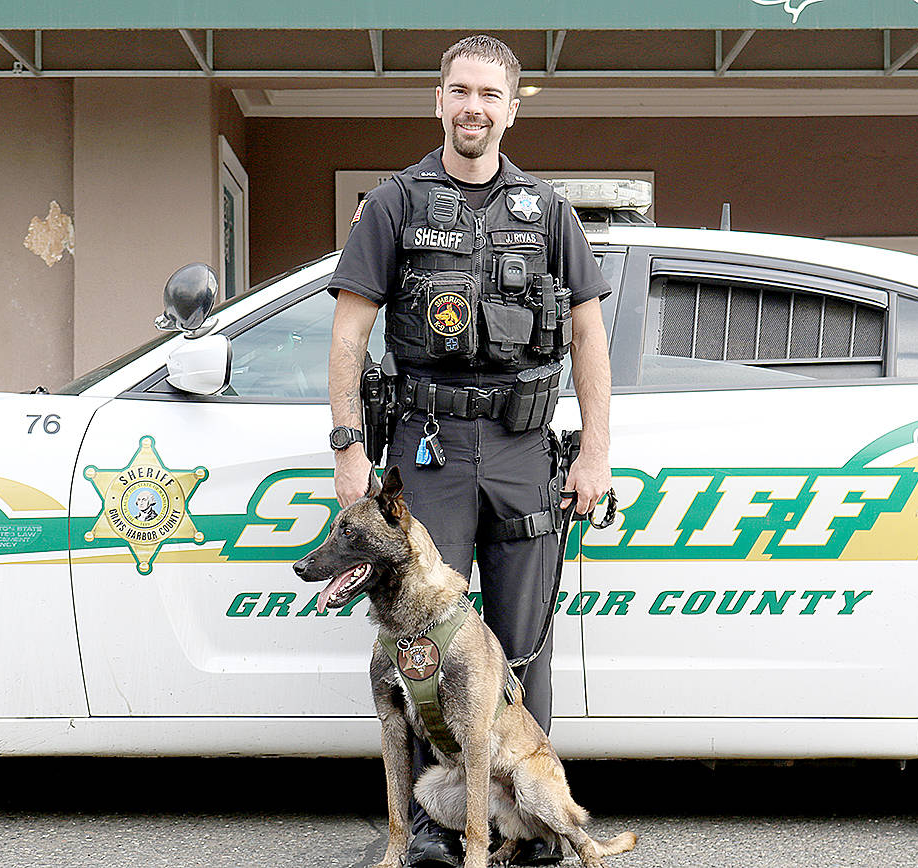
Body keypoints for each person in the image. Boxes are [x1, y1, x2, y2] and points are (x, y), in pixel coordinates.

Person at [325, 35, 612, 868]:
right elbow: (350, 330)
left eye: (490, 93)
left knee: (520, 648)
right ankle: (430, 831)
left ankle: (528, 833)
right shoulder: (394, 204)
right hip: (428, 453)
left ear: (513, 107)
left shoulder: (549, 212)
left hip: (524, 450)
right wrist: (349, 448)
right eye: (460, 91)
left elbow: (589, 332)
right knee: (421, 645)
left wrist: (595, 450)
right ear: (438, 101)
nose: (474, 107)